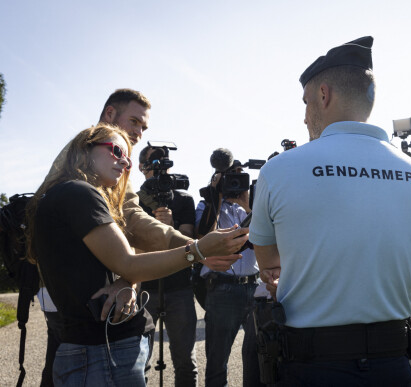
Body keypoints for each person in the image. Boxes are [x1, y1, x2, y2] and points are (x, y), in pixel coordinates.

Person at [249, 36, 411, 386]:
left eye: (306, 102)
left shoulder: (279, 170)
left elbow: (269, 263)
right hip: (395, 368)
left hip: (312, 368)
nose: (305, 116)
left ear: (324, 95)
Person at [38, 88, 244, 386]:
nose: (138, 133)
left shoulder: (103, 166)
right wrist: (196, 250)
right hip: (76, 300)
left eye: (143, 127)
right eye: (134, 122)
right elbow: (132, 223)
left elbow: (130, 224)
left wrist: (131, 279)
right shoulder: (82, 175)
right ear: (109, 114)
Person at [196, 154, 263, 387]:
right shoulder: (208, 206)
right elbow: (204, 237)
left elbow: (261, 241)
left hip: (254, 287)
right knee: (217, 361)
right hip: (223, 288)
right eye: (229, 179)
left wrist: (248, 206)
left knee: (258, 357)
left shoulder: (252, 209)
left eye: (238, 179)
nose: (235, 185)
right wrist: (217, 196)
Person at [136, 145, 199, 386]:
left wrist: (169, 225)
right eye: (153, 162)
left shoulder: (183, 198)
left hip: (179, 286)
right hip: (146, 288)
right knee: (140, 361)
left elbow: (188, 239)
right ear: (142, 168)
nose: (159, 166)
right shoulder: (134, 200)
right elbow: (133, 246)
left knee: (185, 361)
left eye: (164, 161)